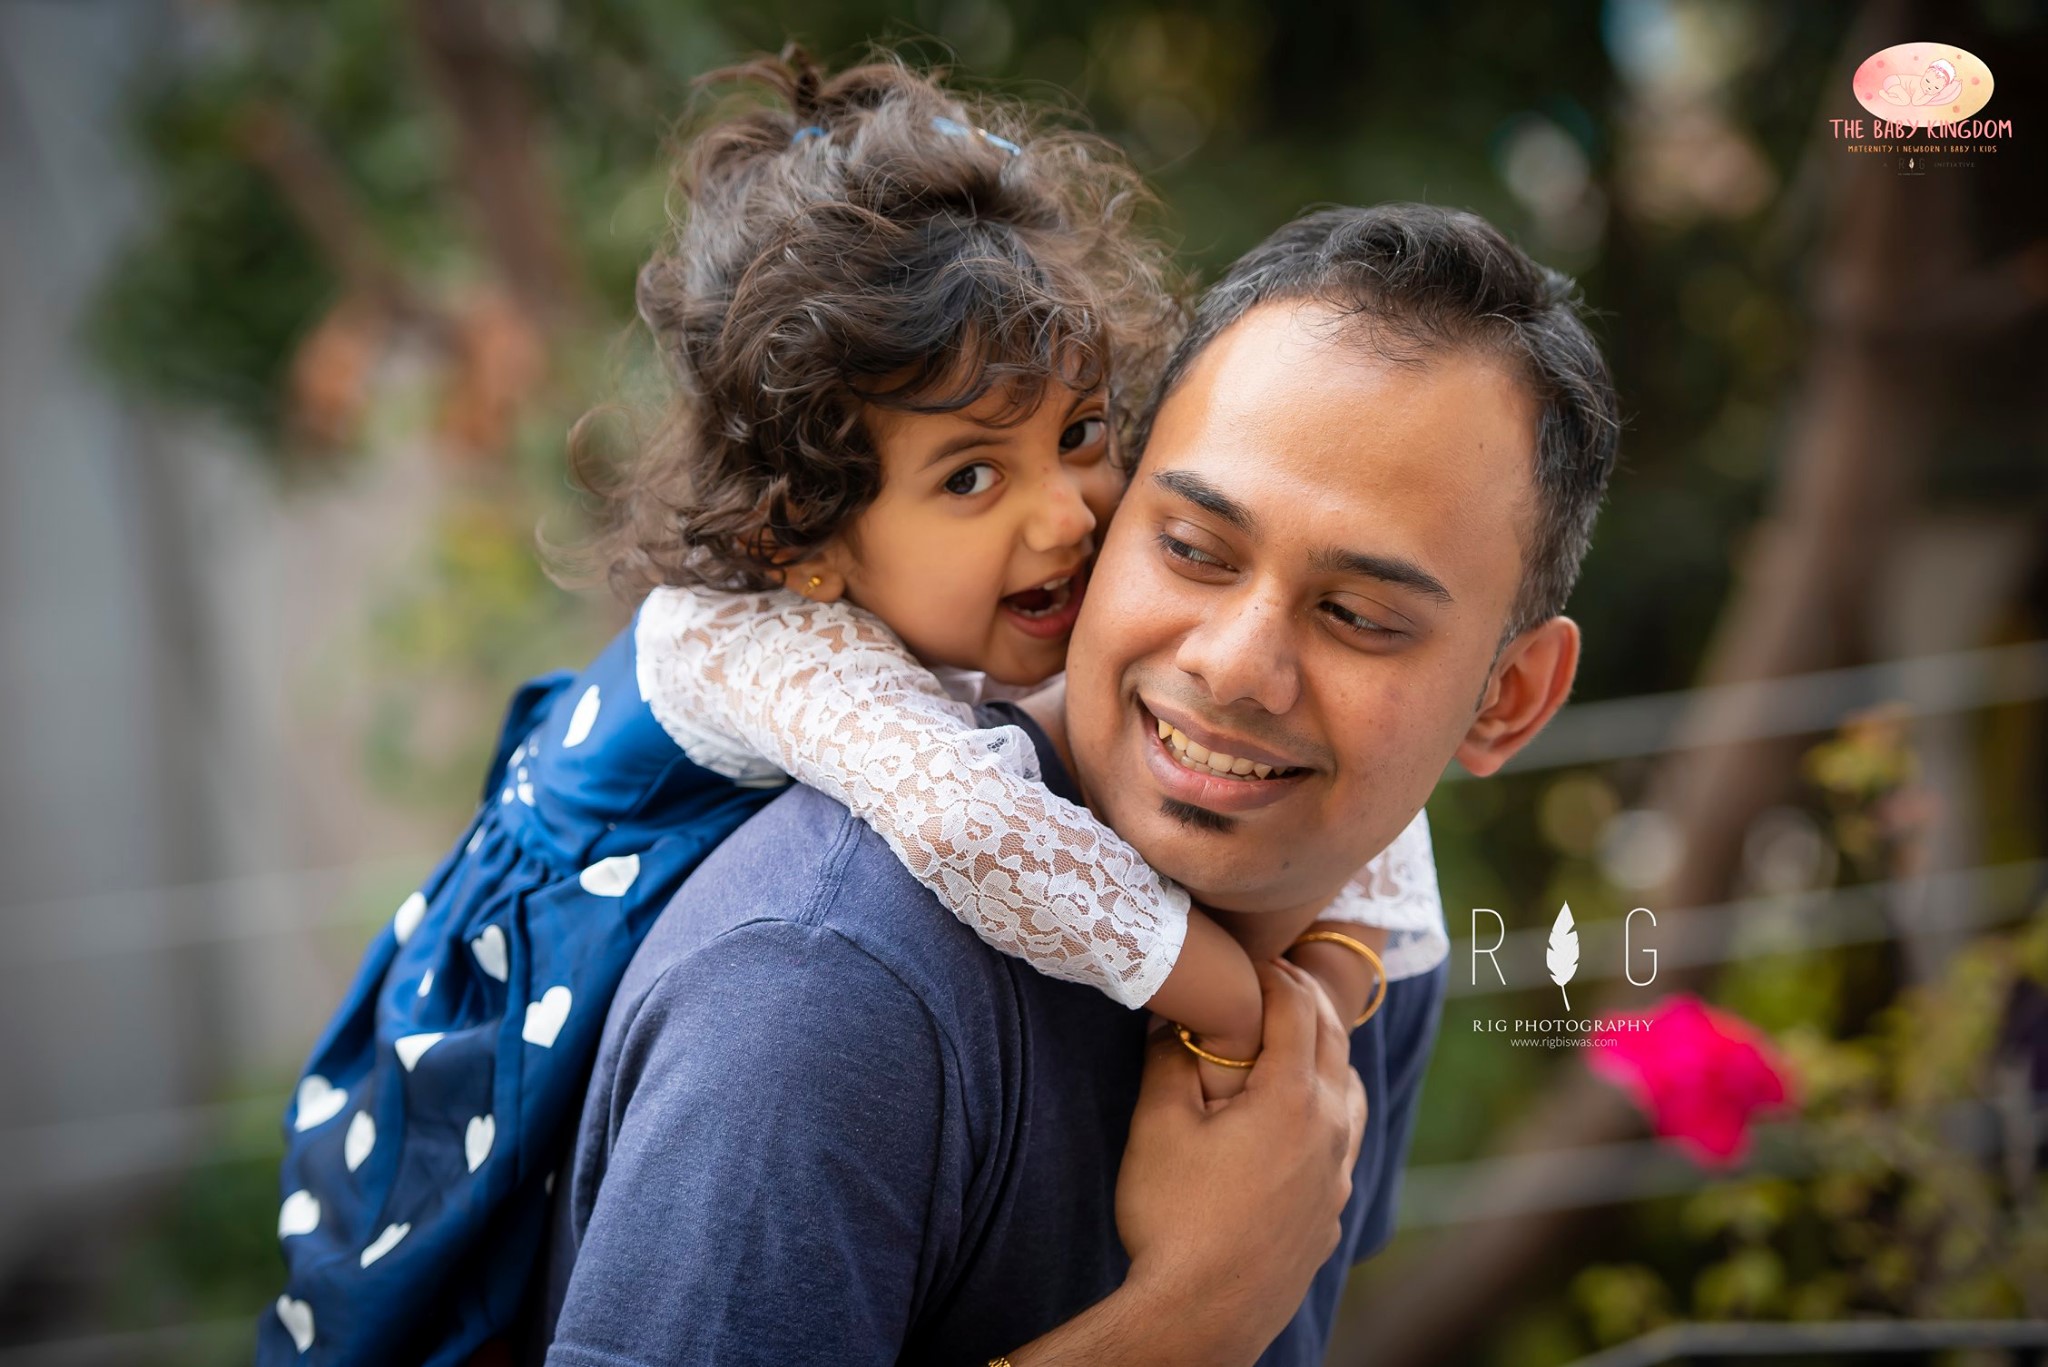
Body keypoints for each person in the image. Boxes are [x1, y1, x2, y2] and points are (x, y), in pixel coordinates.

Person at [262, 53, 1444, 1367]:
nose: (1064, 513)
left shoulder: (995, 598)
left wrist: (1334, 976)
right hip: (527, 1012)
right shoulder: (776, 649)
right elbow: (975, 831)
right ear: (809, 537)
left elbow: (1366, 794)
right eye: (971, 475)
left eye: (1080, 432)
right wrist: (1241, 1011)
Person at [535, 201, 1619, 1364]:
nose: (1233, 665)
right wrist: (1185, 1317)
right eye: (1191, 547)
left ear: (1505, 698)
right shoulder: (822, 988)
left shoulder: (1355, 937)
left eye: (1355, 613)